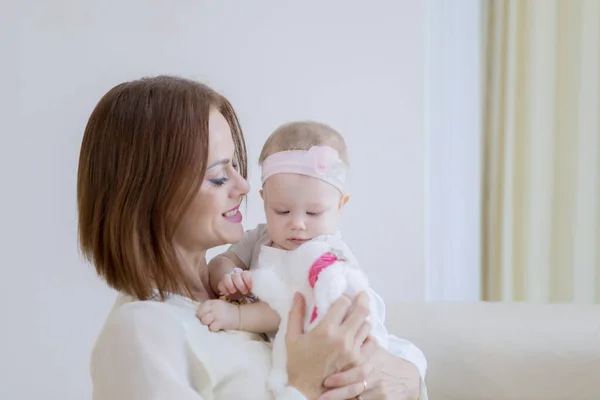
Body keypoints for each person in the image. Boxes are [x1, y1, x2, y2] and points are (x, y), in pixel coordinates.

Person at [78, 75, 427, 400]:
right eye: (218, 176)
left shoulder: (245, 287)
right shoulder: (142, 332)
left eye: (235, 166)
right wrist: (302, 386)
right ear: (150, 194)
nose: (244, 186)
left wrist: (408, 376)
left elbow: (379, 356)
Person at [196, 122, 425, 395]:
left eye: (313, 213)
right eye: (281, 211)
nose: (297, 224)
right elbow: (223, 260)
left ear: (341, 205)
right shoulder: (261, 237)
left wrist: (238, 316)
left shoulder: (327, 258)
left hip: (337, 352)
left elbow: (290, 311)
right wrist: (228, 277)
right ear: (264, 199)